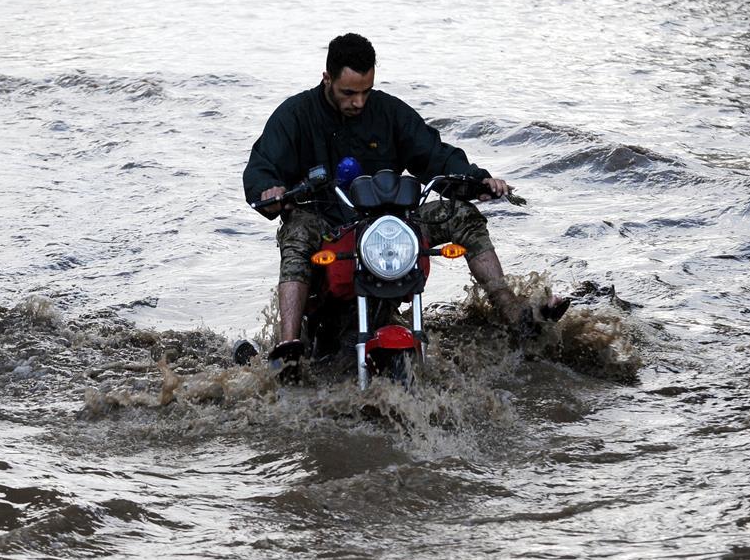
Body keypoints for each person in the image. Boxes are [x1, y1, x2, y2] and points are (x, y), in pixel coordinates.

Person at [243, 33, 567, 364]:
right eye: (349, 93)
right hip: (326, 228)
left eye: (366, 92)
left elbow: (434, 156)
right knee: (296, 232)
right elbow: (261, 169)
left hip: (387, 227)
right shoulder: (295, 115)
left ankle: (513, 314)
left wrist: (476, 181)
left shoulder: (390, 112)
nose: (359, 102)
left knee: (461, 214)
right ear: (326, 78)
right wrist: (268, 190)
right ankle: (289, 348)